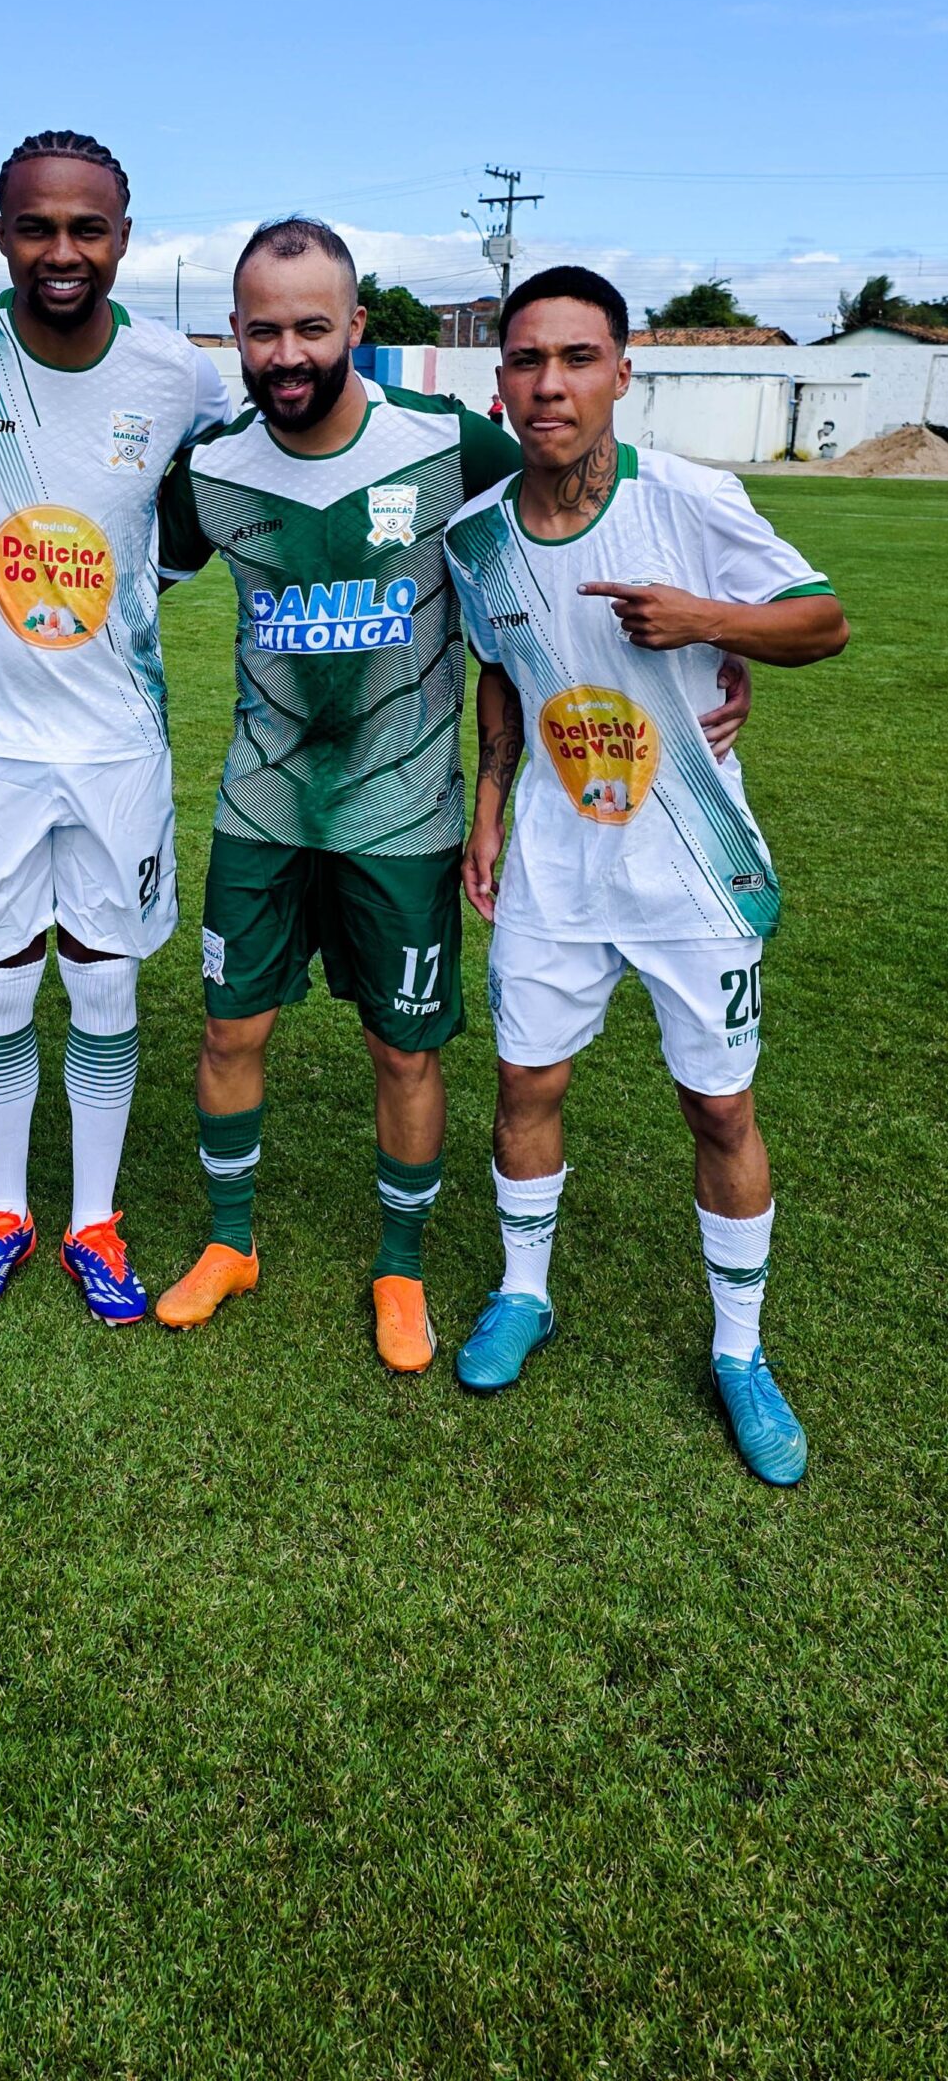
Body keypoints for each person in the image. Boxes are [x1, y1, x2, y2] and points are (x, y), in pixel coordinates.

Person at [152, 223, 753, 1373]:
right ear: (234, 334)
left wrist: (715, 648)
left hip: (403, 818)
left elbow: (571, 518)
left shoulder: (444, 442)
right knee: (230, 1028)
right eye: (264, 330)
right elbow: (131, 573)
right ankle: (229, 1243)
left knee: (402, 1049)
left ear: (356, 326)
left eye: (312, 326)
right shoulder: (213, 467)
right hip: (261, 808)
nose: (288, 352)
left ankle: (401, 1266)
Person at [444, 264, 848, 1482]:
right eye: (527, 359)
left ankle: (740, 1352)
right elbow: (501, 668)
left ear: (621, 373)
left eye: (577, 358)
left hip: (694, 869)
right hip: (556, 869)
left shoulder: (690, 499)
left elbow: (821, 620)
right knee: (526, 1084)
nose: (550, 384)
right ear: (501, 380)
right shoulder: (476, 537)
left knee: (719, 1107)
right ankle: (523, 1293)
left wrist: (707, 620)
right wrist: (489, 807)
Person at [0, 132, 230, 1323]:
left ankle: (95, 1221)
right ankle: (4, 1209)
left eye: (86, 228)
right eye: (36, 226)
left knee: (107, 981)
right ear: (1, 234)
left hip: (116, 741)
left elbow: (229, 490)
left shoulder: (178, 374)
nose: (60, 250)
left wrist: (146, 582)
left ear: (122, 238)